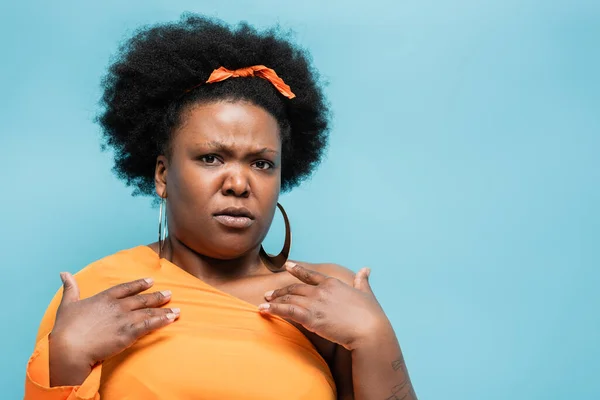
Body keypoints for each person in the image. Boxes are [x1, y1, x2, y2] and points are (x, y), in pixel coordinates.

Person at [23, 14, 417, 400]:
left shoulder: (325, 295)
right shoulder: (98, 292)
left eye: (262, 164)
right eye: (212, 158)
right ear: (163, 174)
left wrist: (375, 337)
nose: (239, 184)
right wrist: (69, 355)